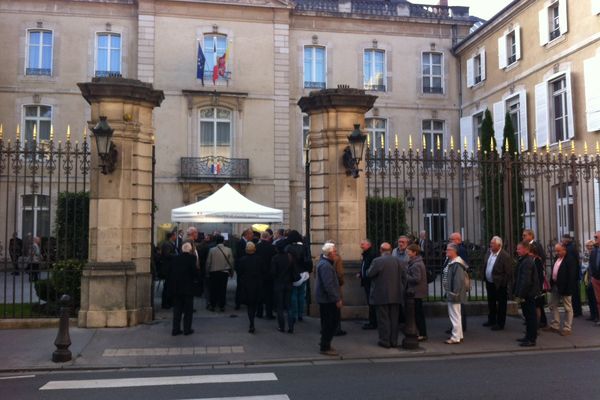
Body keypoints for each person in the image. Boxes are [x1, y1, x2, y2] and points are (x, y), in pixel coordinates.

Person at [367, 242, 407, 349]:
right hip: (396, 294)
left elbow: (369, 274)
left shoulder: (377, 261)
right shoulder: (399, 261)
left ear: (381, 250)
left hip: (381, 294)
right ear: (390, 250)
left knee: (383, 319)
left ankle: (385, 341)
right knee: (394, 320)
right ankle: (394, 341)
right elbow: (404, 277)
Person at [545, 242, 579, 336]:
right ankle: (555, 325)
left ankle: (567, 328)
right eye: (556, 251)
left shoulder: (570, 259)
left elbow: (572, 276)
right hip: (556, 285)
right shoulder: (557, 258)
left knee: (568, 308)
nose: (557, 253)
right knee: (552, 305)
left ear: (564, 250)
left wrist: (568, 288)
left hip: (565, 287)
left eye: (558, 251)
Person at [315, 242, 342, 356]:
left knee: (329, 323)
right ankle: (325, 346)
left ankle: (325, 343)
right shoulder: (326, 265)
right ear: (330, 253)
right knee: (330, 323)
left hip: (326, 299)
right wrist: (337, 299)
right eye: (335, 252)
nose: (336, 254)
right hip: (328, 300)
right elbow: (328, 285)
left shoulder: (324, 263)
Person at [481, 236, 514, 331]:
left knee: (501, 304)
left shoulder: (505, 256)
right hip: (489, 282)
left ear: (499, 245)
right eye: (491, 243)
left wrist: (502, 283)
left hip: (499, 284)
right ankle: (491, 320)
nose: (490, 245)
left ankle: (500, 323)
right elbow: (485, 265)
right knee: (491, 302)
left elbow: (508, 272)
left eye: (492, 243)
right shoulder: (489, 252)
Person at [514, 241, 540, 347]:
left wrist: (521, 295)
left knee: (530, 317)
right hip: (526, 294)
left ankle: (531, 339)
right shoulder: (524, 260)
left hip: (528, 294)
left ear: (525, 249)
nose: (517, 250)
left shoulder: (527, 262)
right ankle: (528, 336)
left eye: (519, 249)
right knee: (527, 317)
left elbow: (526, 280)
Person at [168, 242, 197, 336]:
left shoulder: (175, 258)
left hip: (176, 288)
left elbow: (171, 272)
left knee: (177, 310)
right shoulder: (192, 258)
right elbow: (194, 272)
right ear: (190, 250)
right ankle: (187, 329)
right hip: (188, 288)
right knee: (188, 311)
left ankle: (175, 330)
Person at [443, 243, 468, 344]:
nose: (446, 251)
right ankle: (459, 335)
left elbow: (458, 280)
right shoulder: (453, 262)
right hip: (452, 292)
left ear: (454, 251)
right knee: (457, 315)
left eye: (448, 250)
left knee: (454, 316)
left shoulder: (456, 264)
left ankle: (455, 337)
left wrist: (454, 293)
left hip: (454, 294)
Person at [286, 230, 312, 330]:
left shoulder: (288, 248)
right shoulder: (303, 247)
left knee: (293, 295)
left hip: (293, 273)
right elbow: (308, 260)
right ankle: (300, 314)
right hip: (303, 273)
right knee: (301, 294)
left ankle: (294, 314)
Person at [523, 229, 547, 327]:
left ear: (531, 236)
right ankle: (535, 320)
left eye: (525, 235)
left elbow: (542, 257)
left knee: (538, 303)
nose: (523, 237)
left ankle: (541, 321)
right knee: (535, 304)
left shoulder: (536, 245)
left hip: (536, 280)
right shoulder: (525, 245)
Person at [237, 242, 262, 333]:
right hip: (257, 284)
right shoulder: (259, 259)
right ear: (254, 249)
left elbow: (239, 273)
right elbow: (262, 271)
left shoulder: (242, 260)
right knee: (254, 304)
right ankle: (252, 320)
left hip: (246, 285)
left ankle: (251, 322)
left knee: (249, 305)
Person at [206, 234, 234, 312]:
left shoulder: (212, 250)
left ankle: (213, 305)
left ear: (216, 242)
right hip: (224, 272)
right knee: (223, 289)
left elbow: (208, 262)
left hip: (214, 272)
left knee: (213, 289)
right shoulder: (228, 250)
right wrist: (231, 272)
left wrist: (207, 272)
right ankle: (222, 306)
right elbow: (231, 262)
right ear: (223, 241)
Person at [271, 240, 294, 332]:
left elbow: (273, 272)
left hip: (279, 283)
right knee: (289, 306)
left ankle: (282, 326)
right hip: (288, 283)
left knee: (280, 307)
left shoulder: (275, 258)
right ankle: (291, 327)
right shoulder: (289, 257)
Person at [406, 243, 427, 341]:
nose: (407, 253)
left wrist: (405, 276)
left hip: (416, 292)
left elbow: (416, 279)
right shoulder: (415, 262)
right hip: (417, 292)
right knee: (417, 314)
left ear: (414, 252)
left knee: (418, 314)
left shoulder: (416, 264)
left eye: (409, 251)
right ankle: (420, 332)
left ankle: (422, 334)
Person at [326, 240, 347, 336]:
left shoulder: (320, 258)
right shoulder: (337, 258)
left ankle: (326, 328)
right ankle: (336, 329)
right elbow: (340, 273)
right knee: (336, 309)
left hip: (324, 288)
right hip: (335, 286)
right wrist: (340, 283)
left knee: (326, 310)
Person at [256, 231, 276, 319]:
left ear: (261, 237)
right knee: (269, 295)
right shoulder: (272, 247)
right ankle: (269, 313)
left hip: (259, 273)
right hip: (269, 274)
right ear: (268, 237)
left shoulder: (257, 247)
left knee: (259, 294)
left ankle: (259, 313)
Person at [358, 239, 378, 330]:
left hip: (370, 282)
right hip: (366, 281)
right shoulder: (366, 254)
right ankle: (372, 321)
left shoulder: (371, 254)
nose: (361, 246)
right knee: (370, 302)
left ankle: (373, 322)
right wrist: (361, 273)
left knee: (372, 303)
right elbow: (364, 266)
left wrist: (364, 274)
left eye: (363, 244)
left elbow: (371, 268)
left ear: (369, 245)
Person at [562, 234, 582, 317]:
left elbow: (571, 264)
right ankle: (578, 311)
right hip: (574, 274)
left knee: (573, 294)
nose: (562, 241)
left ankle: (576, 311)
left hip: (572, 275)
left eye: (563, 239)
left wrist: (570, 276)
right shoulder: (572, 247)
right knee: (576, 294)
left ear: (567, 240)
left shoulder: (569, 248)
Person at [235, 228, 255, 310]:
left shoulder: (249, 242)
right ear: (247, 235)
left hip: (247, 268)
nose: (252, 236)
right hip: (241, 268)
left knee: (247, 286)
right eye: (251, 235)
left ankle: (246, 301)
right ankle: (238, 303)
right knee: (240, 286)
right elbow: (239, 255)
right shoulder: (240, 242)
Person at [160, 230, 179, 309]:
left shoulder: (170, 243)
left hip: (170, 268)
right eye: (175, 235)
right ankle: (165, 303)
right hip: (168, 268)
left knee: (170, 286)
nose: (176, 237)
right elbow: (167, 255)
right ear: (172, 236)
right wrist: (176, 255)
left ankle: (170, 302)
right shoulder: (167, 244)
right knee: (167, 286)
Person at [582, 239, 598, 322]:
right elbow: (583, 264)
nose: (589, 247)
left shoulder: (595, 253)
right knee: (589, 297)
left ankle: (596, 315)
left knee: (595, 297)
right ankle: (592, 314)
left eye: (591, 246)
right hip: (586, 276)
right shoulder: (585, 253)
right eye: (587, 246)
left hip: (593, 276)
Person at [587, 231, 600, 326]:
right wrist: (592, 277)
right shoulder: (594, 250)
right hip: (595, 279)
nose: (594, 238)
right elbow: (591, 264)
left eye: (596, 237)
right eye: (594, 237)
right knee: (598, 301)